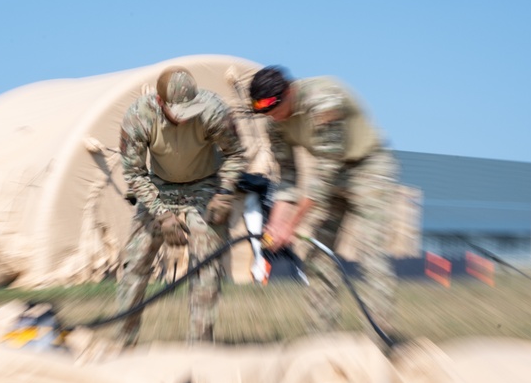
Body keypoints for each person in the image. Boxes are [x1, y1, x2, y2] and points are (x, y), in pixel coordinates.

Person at [248, 66, 398, 337]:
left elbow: (324, 176)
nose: (270, 117)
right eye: (264, 112)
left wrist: (291, 226)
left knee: (370, 254)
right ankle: (320, 339)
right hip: (330, 178)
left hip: (367, 168)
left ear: (289, 92)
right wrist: (275, 224)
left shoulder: (322, 99)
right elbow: (288, 178)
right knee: (318, 259)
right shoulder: (273, 122)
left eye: (273, 109)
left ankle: (380, 340)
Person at [117, 66, 248, 345]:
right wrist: (162, 215)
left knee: (207, 267)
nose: (186, 119)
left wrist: (224, 193)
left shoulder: (214, 111)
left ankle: (199, 349)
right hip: (159, 187)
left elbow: (236, 154)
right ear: (160, 102)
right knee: (135, 264)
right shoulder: (139, 117)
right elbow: (134, 173)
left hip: (205, 185)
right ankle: (123, 343)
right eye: (179, 114)